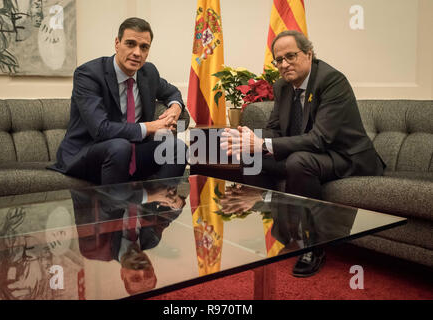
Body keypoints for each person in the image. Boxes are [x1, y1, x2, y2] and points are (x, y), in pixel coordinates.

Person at [221, 30, 385, 277]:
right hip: (312, 154)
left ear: (308, 54)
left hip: (346, 155)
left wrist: (263, 145)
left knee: (298, 162)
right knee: (251, 156)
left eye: (291, 56)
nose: (284, 64)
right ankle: (281, 232)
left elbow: (321, 139)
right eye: (279, 60)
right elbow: (276, 129)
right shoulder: (282, 86)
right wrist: (250, 140)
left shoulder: (331, 81)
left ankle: (313, 245)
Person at [49, 17, 187, 185]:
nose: (137, 53)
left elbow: (172, 92)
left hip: (132, 151)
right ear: (117, 43)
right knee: (120, 147)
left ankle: (159, 206)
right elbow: (100, 129)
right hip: (89, 152)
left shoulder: (148, 72)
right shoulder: (88, 74)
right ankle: (114, 208)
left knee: (177, 148)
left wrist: (175, 108)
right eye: (130, 44)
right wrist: (152, 127)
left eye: (144, 47)